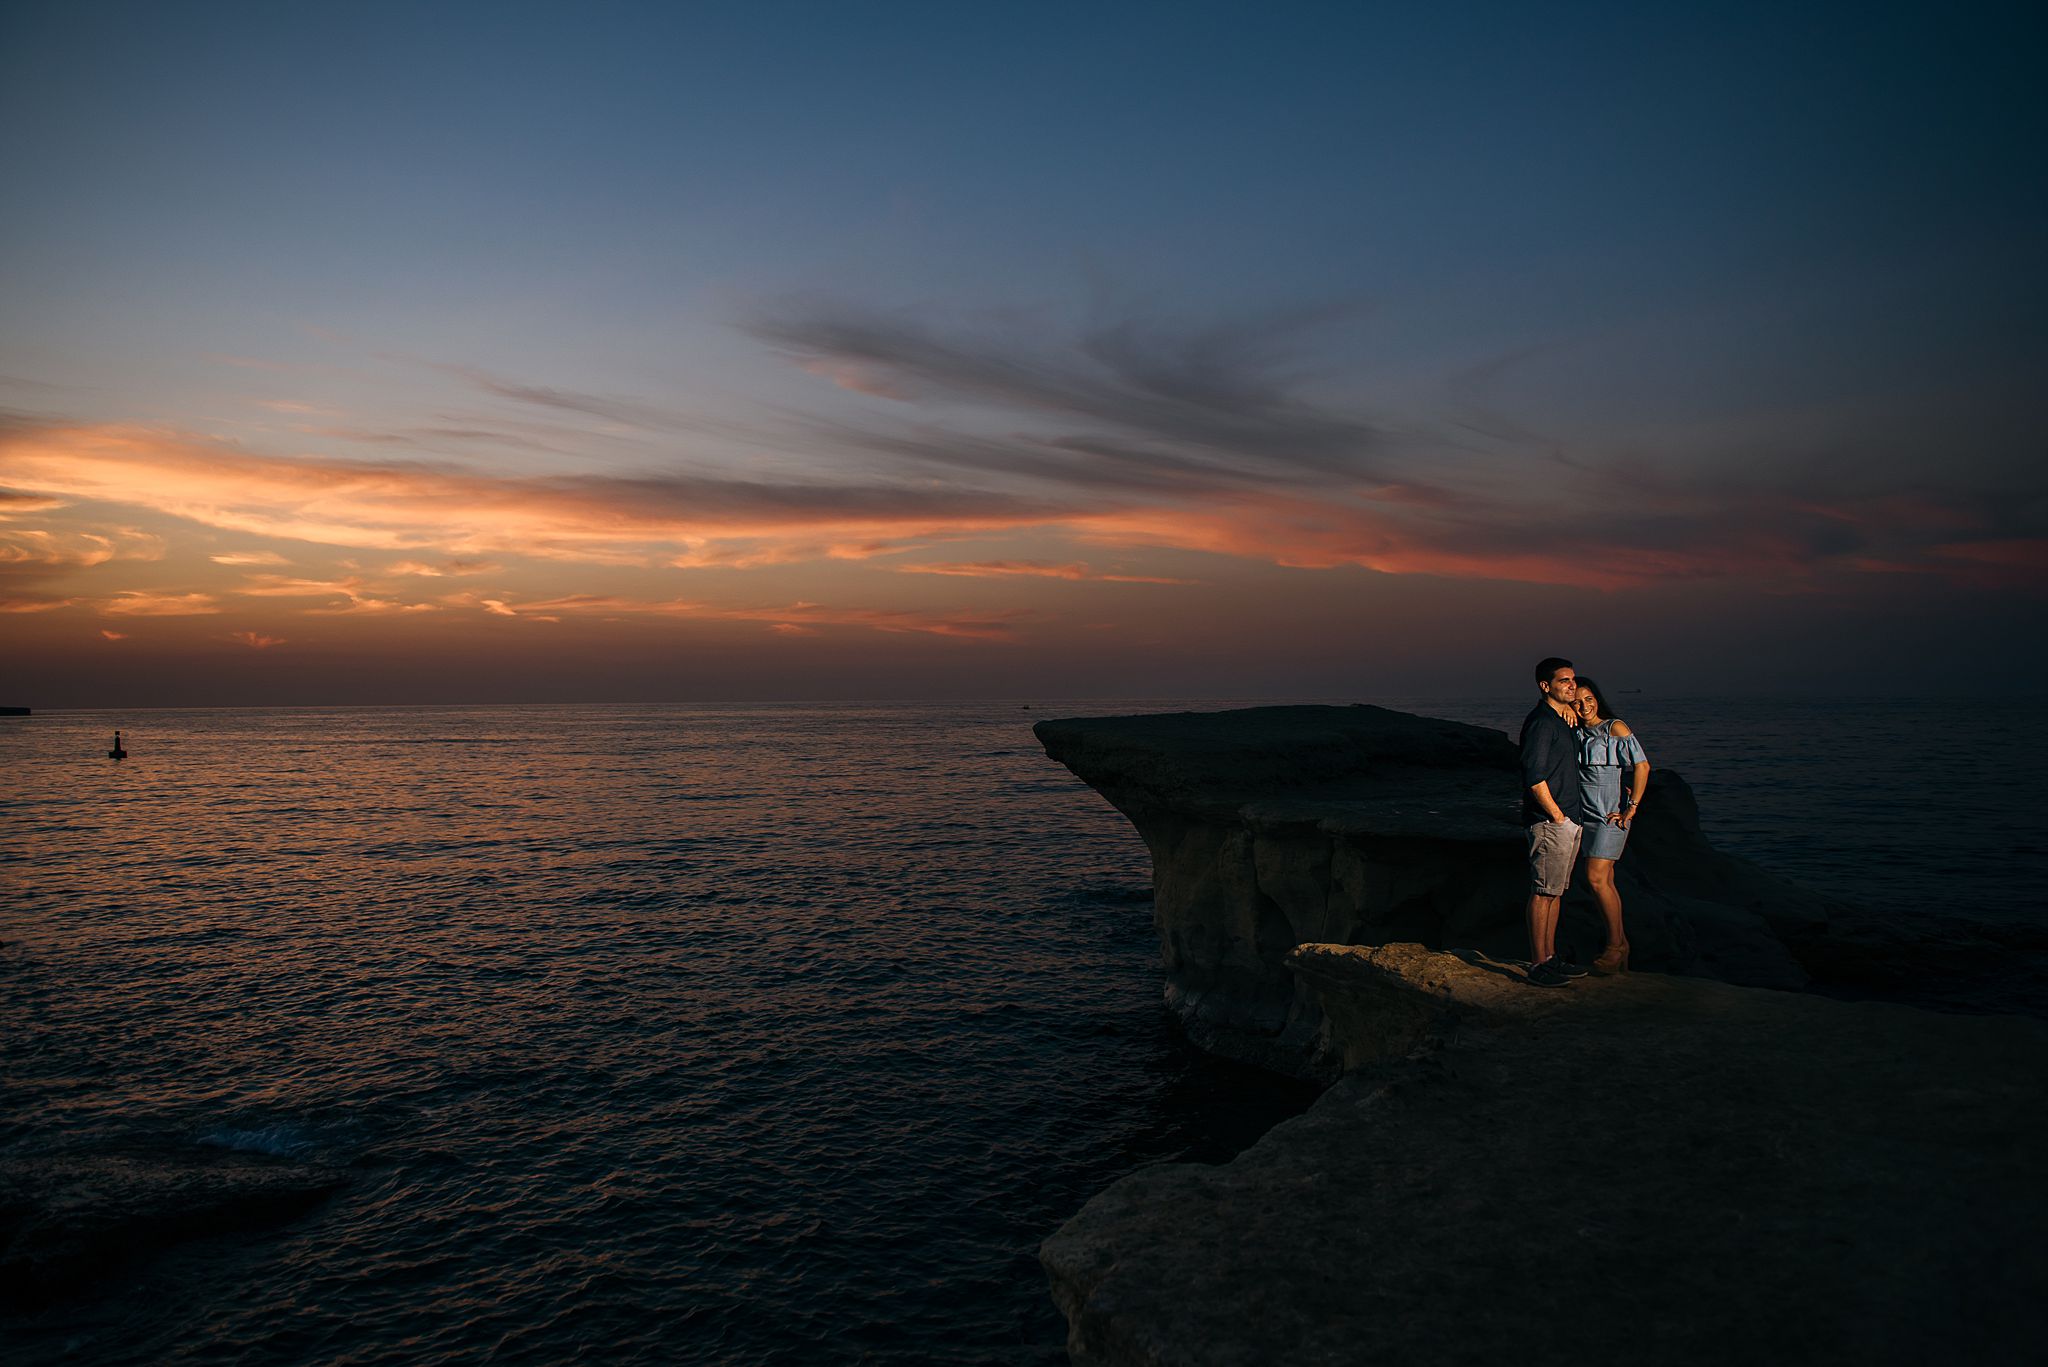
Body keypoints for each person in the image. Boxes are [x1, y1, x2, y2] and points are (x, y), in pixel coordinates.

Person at [1574, 678, 1650, 975]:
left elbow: (1642, 766)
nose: (1585, 705)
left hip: (1610, 816)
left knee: (1595, 878)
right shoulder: (1576, 731)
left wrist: (1632, 808)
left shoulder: (1614, 727)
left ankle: (1615, 946)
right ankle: (1621, 947)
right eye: (1578, 701)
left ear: (1598, 698)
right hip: (1585, 815)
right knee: (1605, 882)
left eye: (1589, 698)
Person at [1519, 657, 1585, 987]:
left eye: (1573, 680)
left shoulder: (1560, 718)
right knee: (1543, 892)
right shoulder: (1542, 724)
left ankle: (1550, 957)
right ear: (1546, 686)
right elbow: (1534, 777)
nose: (1571, 685)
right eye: (1564, 681)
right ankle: (1537, 964)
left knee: (1555, 893)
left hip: (1568, 819)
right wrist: (1557, 816)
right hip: (1550, 822)